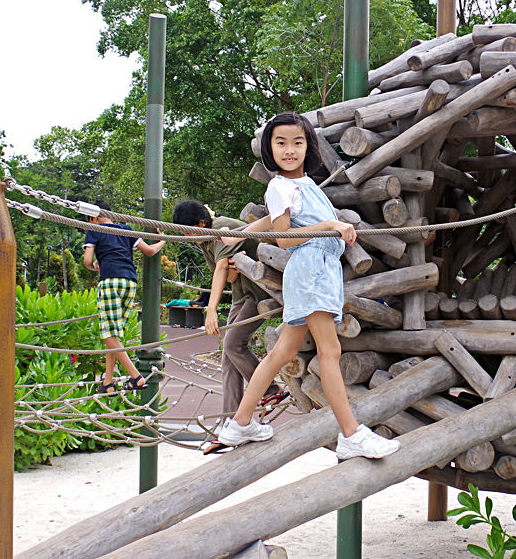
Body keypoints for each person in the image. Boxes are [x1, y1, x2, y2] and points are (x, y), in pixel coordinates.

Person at [219, 112, 399, 459]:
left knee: (283, 352)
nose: (289, 150)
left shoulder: (305, 186)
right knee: (330, 352)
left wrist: (240, 235)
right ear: (270, 149)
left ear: (308, 146)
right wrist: (332, 224)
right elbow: (284, 238)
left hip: (318, 271)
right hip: (310, 269)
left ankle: (240, 423)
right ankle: (351, 434)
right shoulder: (279, 185)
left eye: (297, 142)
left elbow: (272, 222)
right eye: (281, 143)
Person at [171, 200, 286, 417]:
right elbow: (231, 274)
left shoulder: (221, 227)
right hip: (242, 293)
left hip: (260, 290)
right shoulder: (204, 240)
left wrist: (211, 310)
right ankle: (230, 419)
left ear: (202, 223)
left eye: (188, 232)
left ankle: (270, 390)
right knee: (228, 354)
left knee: (234, 344)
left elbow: (222, 268)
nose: (187, 238)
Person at [83, 200, 165, 394]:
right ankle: (108, 382)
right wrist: (164, 240)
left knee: (109, 333)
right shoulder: (125, 229)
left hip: (109, 281)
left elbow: (87, 260)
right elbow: (150, 251)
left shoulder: (93, 230)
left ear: (92, 217)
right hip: (129, 282)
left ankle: (136, 376)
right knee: (114, 334)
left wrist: (94, 265)